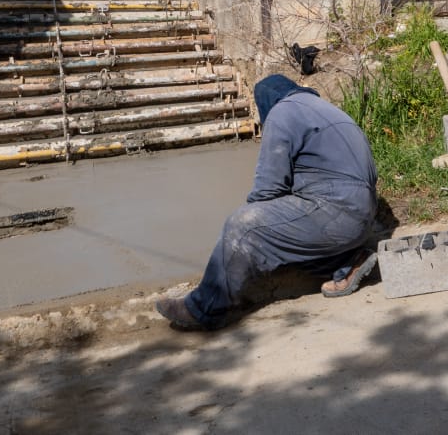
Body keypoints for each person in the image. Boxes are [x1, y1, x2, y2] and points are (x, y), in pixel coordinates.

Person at [155, 73, 379, 331]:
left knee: (245, 225)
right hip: (362, 214)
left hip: (335, 211)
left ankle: (203, 309)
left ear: (266, 103)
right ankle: (347, 263)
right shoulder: (324, 109)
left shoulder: (282, 113)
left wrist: (247, 226)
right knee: (281, 236)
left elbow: (268, 189)